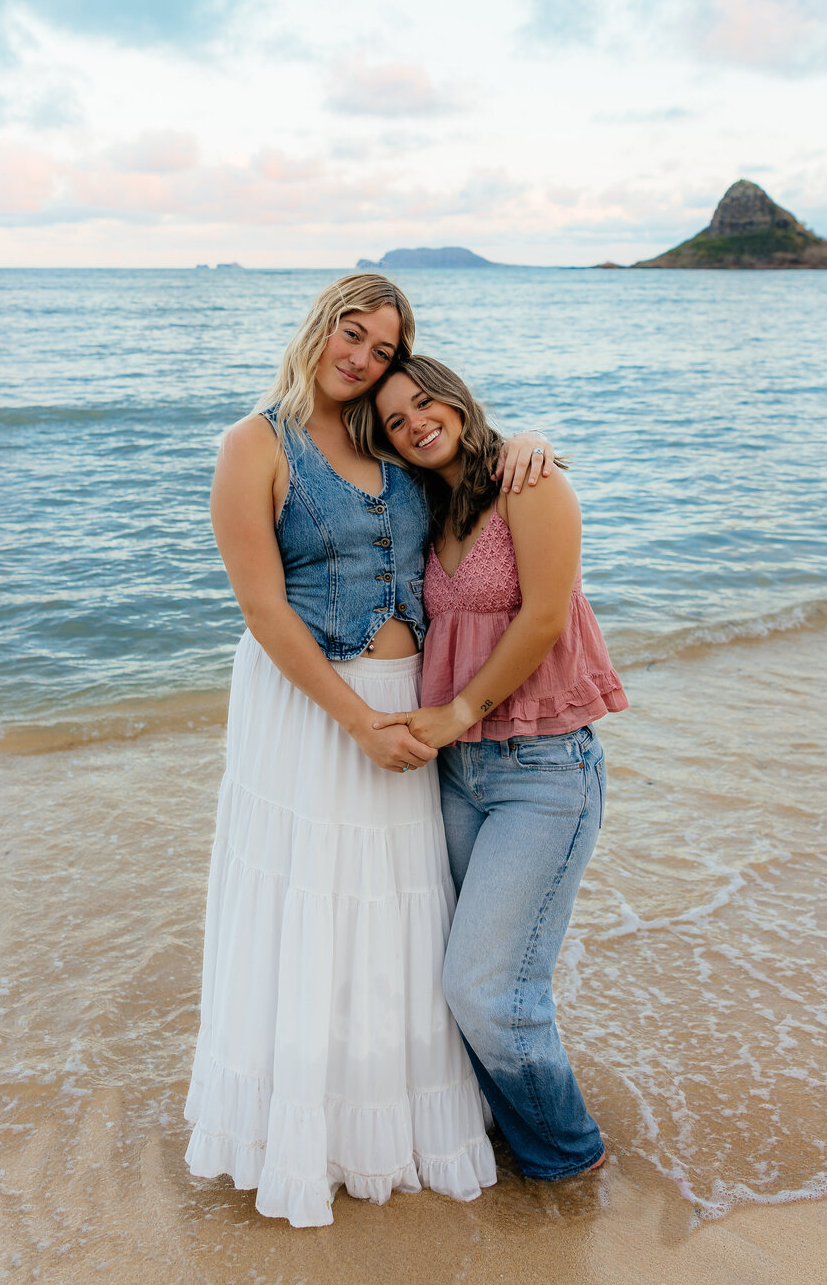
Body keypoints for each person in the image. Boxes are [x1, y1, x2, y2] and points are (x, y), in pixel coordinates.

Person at [184, 274, 553, 1227]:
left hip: (413, 703)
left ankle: (398, 1124)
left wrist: (526, 444)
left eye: (385, 351)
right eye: (354, 335)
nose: (363, 358)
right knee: (309, 896)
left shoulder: (389, 438)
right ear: (321, 327)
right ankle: (306, 1130)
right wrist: (354, 719)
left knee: (399, 909)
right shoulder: (252, 445)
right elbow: (262, 607)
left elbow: (471, 469)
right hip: (310, 709)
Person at [365, 354, 627, 1183]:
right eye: (396, 423)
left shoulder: (531, 483)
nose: (415, 424)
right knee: (464, 977)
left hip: (544, 770)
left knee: (487, 986)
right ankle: (516, 1134)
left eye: (422, 403)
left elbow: (546, 615)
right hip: (460, 778)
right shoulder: (431, 509)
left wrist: (460, 713)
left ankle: (566, 1158)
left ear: (456, 395)